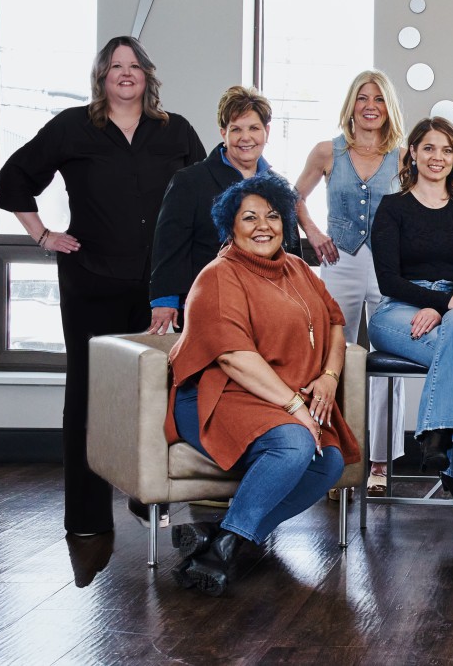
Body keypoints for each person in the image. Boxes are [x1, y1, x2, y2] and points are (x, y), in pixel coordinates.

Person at [0, 36, 205, 536]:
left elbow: (204, 198)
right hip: (92, 280)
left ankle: (148, 496)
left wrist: (187, 283)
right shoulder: (73, 127)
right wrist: (43, 234)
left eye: (134, 66)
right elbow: (14, 178)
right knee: (89, 395)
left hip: (162, 290)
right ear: (102, 77)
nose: (125, 74)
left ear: (148, 76)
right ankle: (86, 517)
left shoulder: (175, 131)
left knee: (162, 393)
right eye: (115, 66)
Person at [166, 174, 360, 597]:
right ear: (230, 226)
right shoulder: (218, 276)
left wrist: (328, 378)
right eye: (249, 217)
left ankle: (222, 537)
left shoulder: (296, 268)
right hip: (216, 393)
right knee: (294, 444)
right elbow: (232, 356)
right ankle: (220, 553)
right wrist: (294, 407)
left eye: (272, 216)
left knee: (327, 463)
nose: (263, 226)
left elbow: (333, 324)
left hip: (272, 396)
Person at [293, 70, 406, 497]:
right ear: (352, 105)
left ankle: (379, 462)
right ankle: (332, 458)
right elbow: (294, 196)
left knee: (385, 359)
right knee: (331, 358)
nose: (370, 105)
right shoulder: (328, 151)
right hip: (339, 262)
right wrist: (314, 234)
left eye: (378, 97)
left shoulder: (402, 156)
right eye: (363, 97)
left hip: (388, 267)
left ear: (388, 105)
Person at [367, 117, 453, 503]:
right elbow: (388, 280)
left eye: (447, 150)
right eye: (429, 148)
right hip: (398, 311)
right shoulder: (391, 208)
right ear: (414, 154)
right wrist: (439, 304)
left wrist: (444, 308)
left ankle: (436, 435)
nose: (438, 157)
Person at [149, 86, 299, 335]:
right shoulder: (191, 180)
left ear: (266, 132)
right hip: (207, 302)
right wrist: (164, 300)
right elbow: (169, 243)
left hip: (269, 305)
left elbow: (291, 248)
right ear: (223, 133)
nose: (245, 138)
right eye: (236, 129)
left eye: (253, 128)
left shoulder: (278, 185)